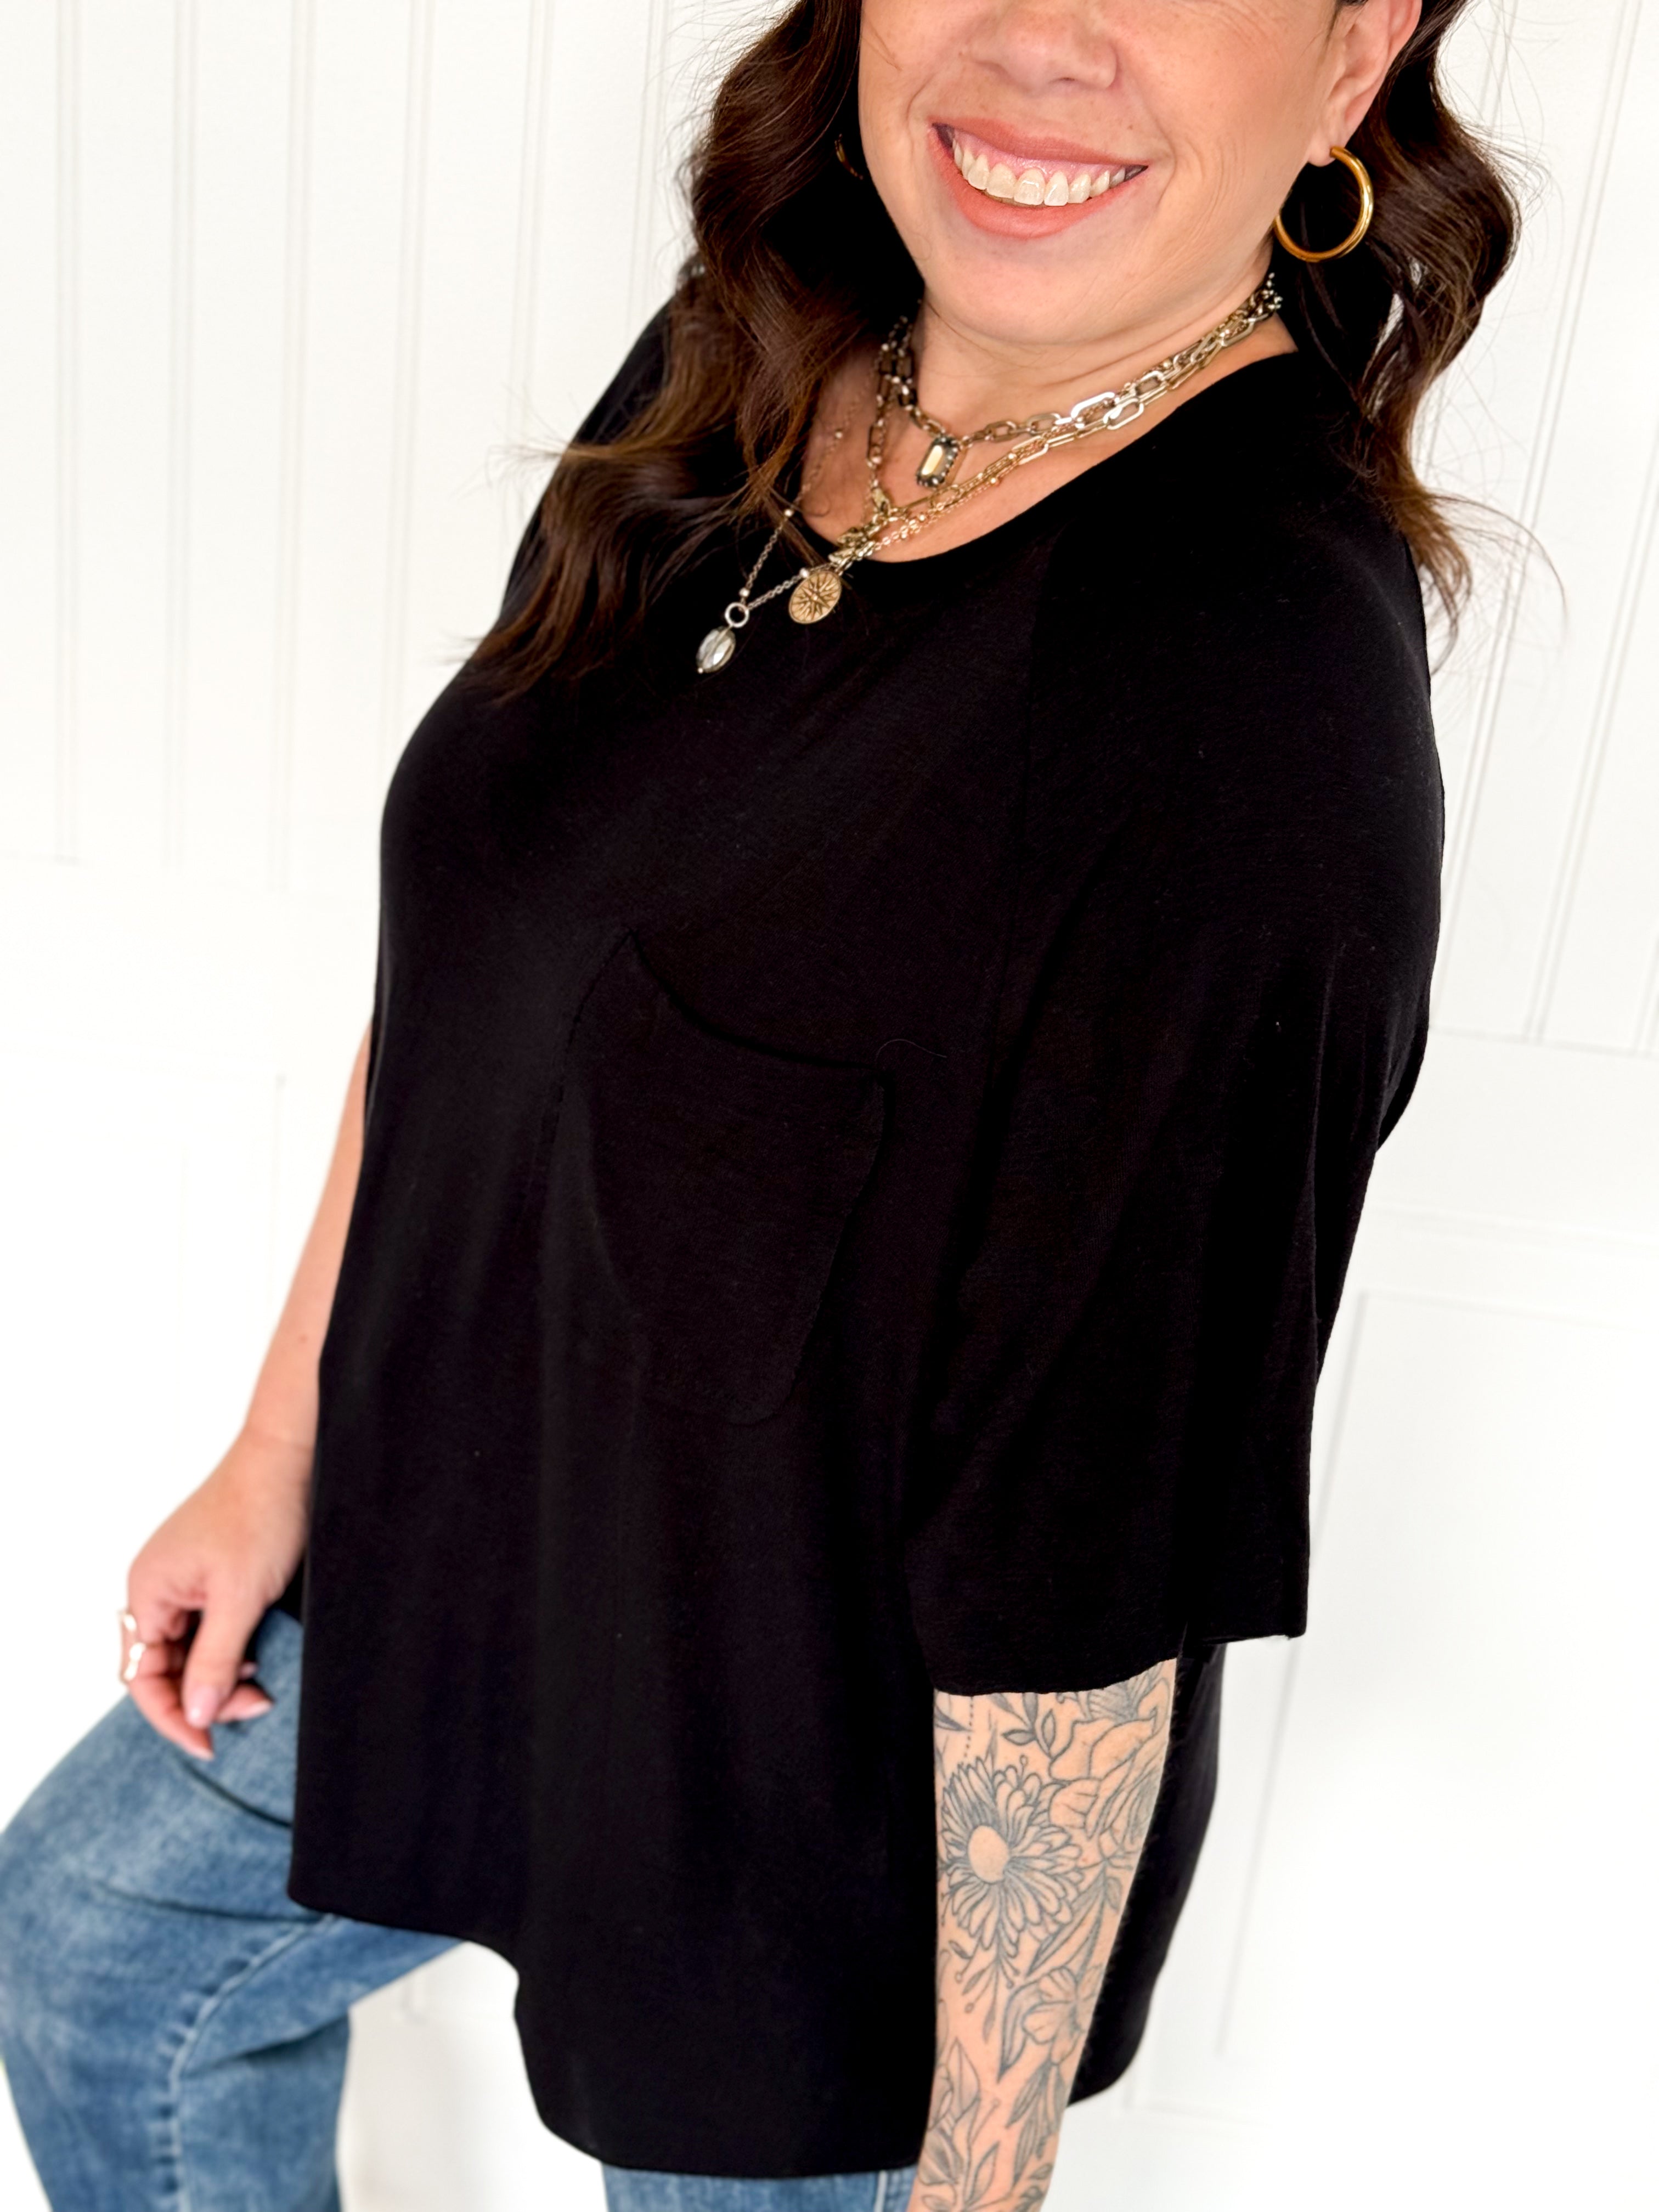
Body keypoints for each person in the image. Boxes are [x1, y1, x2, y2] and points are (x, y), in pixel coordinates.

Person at [0, 2, 1517, 2208]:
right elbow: (485, 955)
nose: (1042, 38)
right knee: (101, 1947)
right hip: (479, 1563)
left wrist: (974, 2175)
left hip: (811, 1822)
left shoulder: (1251, 694)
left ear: (1358, 44)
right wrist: (281, 1447)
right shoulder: (769, 337)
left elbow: (1100, 1555)